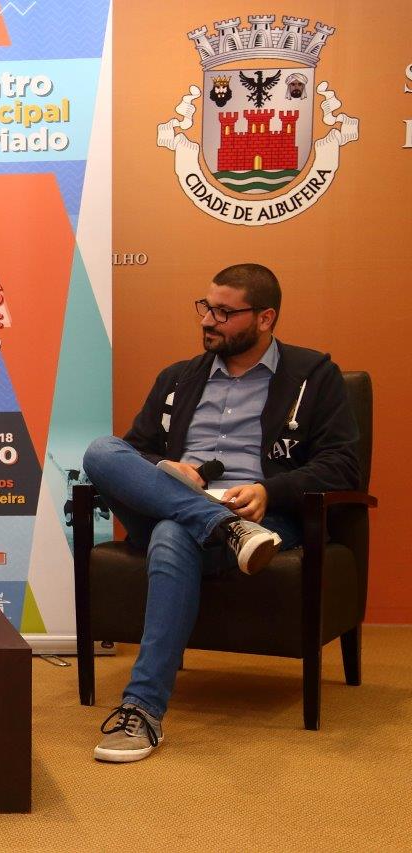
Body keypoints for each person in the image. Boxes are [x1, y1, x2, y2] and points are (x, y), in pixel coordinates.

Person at [81, 263, 360, 763]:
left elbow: (342, 465)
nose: (208, 320)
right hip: (191, 505)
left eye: (224, 313)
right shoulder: (179, 377)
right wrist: (166, 466)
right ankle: (222, 527)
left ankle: (142, 709)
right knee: (102, 450)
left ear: (265, 318)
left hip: (260, 517)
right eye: (206, 307)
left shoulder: (313, 375)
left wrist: (269, 490)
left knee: (172, 533)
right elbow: (136, 449)